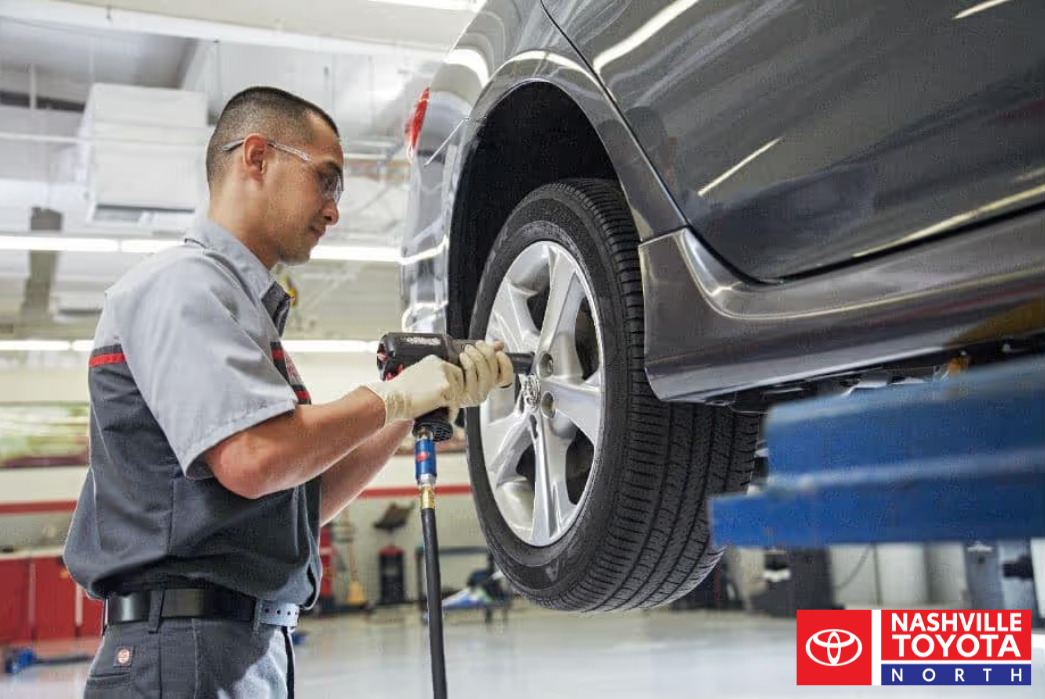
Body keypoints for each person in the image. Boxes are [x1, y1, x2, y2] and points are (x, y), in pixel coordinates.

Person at [64, 86, 513, 698]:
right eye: (326, 181)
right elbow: (254, 461)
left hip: (232, 644)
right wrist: (392, 397)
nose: (333, 211)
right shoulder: (183, 287)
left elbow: (299, 502)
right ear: (256, 157)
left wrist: (410, 408)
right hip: (186, 646)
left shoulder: (236, 311)